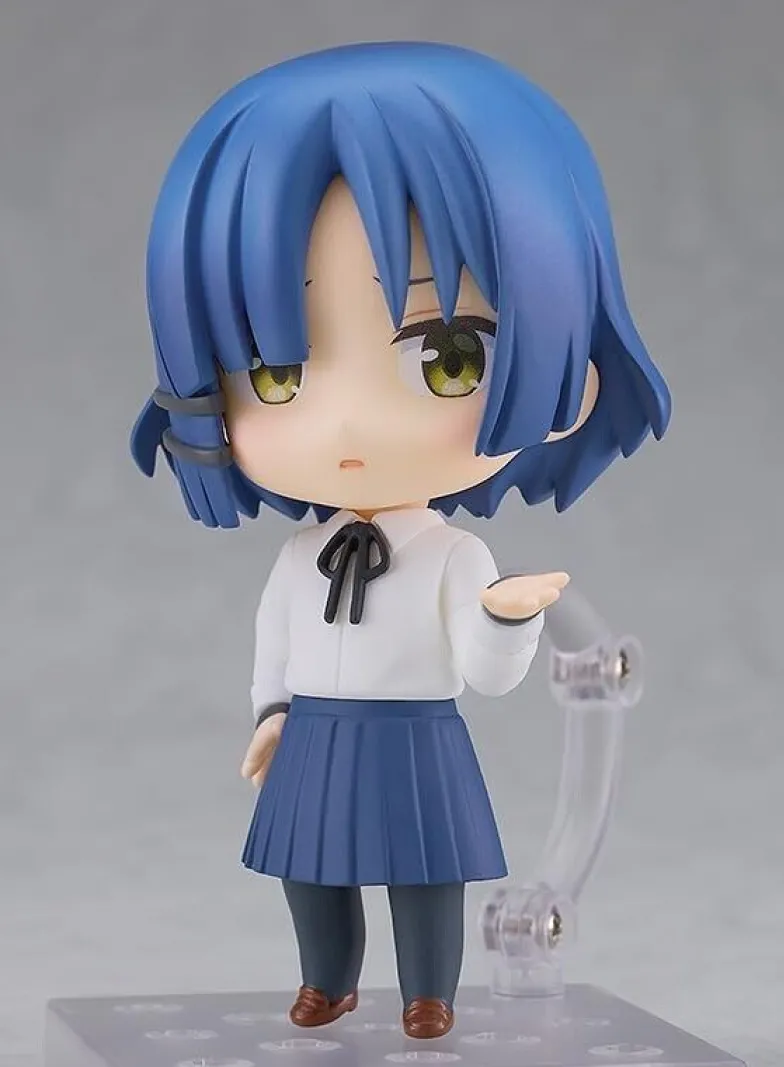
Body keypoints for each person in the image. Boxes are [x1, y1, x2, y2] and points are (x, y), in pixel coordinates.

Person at [131, 41, 671, 1039]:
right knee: (308, 868)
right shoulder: (297, 561)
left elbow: (487, 674)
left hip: (418, 733)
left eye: (447, 355)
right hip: (315, 730)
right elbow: (274, 644)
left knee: (426, 869)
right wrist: (270, 712)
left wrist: (505, 619)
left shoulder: (454, 556)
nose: (344, 424)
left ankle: (429, 989)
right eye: (276, 373)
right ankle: (325, 979)